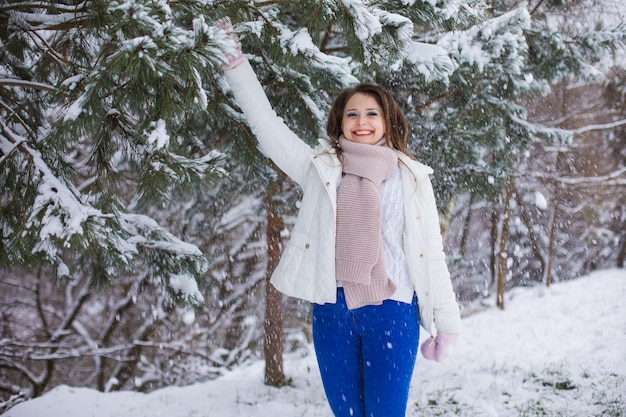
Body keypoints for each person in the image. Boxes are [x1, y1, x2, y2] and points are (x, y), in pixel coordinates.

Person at [217, 17, 461, 417]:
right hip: (334, 311)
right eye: (352, 114)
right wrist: (235, 65)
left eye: (371, 114)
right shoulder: (321, 169)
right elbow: (267, 127)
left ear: (387, 122)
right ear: (339, 123)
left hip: (394, 310)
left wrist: (447, 322)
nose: (361, 122)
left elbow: (431, 253)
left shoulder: (411, 178)